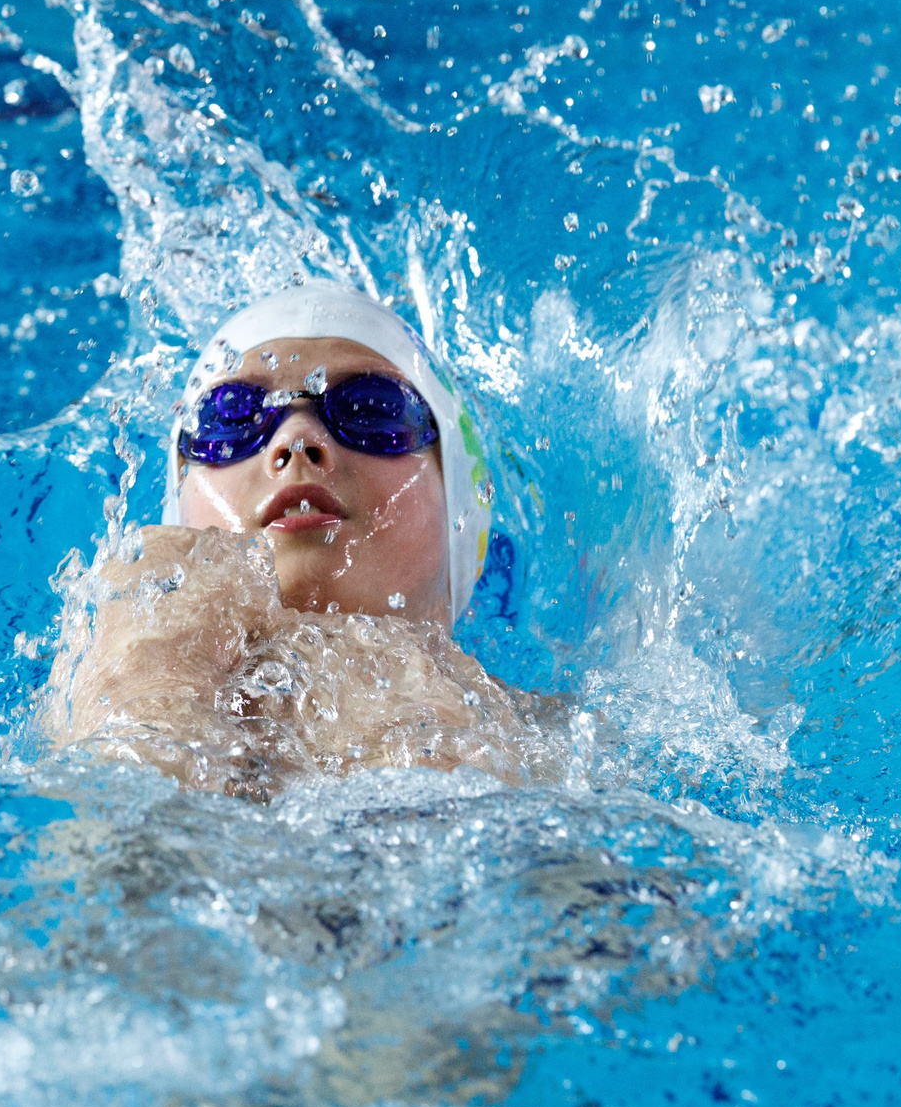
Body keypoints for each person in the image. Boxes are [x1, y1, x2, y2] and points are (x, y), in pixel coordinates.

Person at [44, 282, 559, 793]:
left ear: (460, 505)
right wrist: (150, 669)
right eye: (232, 418)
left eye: (372, 410)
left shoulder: (555, 745)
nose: (296, 441)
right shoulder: (123, 669)